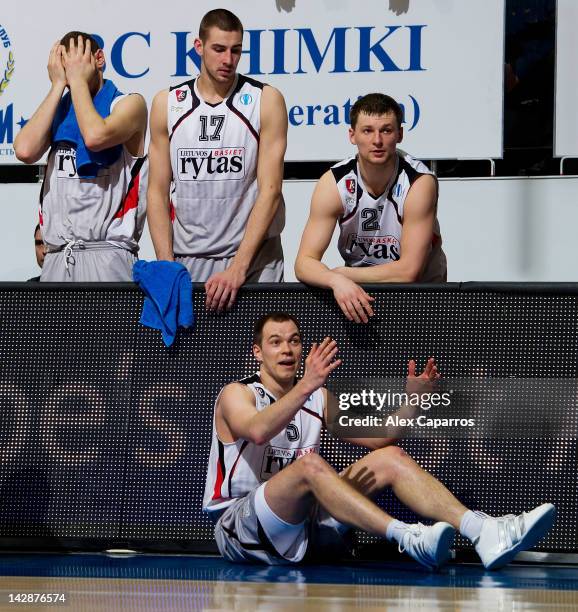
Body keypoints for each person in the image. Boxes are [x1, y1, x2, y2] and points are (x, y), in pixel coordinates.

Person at [203, 312, 556, 568]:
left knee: (392, 456)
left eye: (294, 340)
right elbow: (259, 430)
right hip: (241, 529)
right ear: (257, 352)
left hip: (305, 530)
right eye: (275, 342)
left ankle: (483, 531)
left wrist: (414, 402)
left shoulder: (317, 398)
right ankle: (407, 537)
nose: (287, 350)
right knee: (310, 466)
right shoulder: (237, 394)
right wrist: (307, 385)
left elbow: (379, 437)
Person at [147, 9, 287, 312]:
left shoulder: (266, 100)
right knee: (192, 359)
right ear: (199, 46)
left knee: (260, 358)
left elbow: (271, 190)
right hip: (190, 260)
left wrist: (239, 266)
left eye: (236, 51)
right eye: (219, 49)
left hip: (253, 263)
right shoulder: (167, 104)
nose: (228, 60)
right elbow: (156, 191)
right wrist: (166, 265)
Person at [295, 93, 447, 324]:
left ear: (400, 134)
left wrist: (344, 274)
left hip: (421, 293)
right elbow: (304, 262)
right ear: (352, 135)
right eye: (367, 131)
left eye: (386, 130)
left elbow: (408, 272)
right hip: (357, 290)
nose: (377, 140)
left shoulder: (419, 182)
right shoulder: (333, 183)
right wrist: (336, 281)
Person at [14, 32, 148, 282]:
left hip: (108, 255)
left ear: (99, 59)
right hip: (58, 255)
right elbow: (25, 150)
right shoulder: (58, 110)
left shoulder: (129, 104)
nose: (72, 72)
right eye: (67, 67)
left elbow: (96, 137)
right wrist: (57, 86)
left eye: (78, 64)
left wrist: (76, 82)